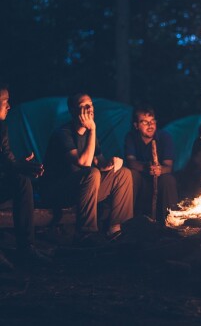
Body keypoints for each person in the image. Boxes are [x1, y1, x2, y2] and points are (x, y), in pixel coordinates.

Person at [41, 93, 133, 246]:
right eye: (83, 106)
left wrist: (112, 162)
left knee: (123, 174)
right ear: (73, 111)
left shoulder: (91, 135)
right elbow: (83, 162)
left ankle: (116, 229)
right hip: (59, 191)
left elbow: (99, 161)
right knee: (92, 172)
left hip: (84, 190)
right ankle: (87, 233)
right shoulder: (63, 134)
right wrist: (92, 129)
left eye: (90, 104)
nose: (89, 109)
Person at [0, 83, 49, 269]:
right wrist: (17, 165)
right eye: (5, 102)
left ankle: (26, 248)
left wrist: (22, 166)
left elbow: (7, 159)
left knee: (21, 181)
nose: (9, 106)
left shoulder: (1, 128)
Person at [125, 105, 178, 221]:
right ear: (136, 125)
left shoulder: (165, 137)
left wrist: (160, 169)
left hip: (159, 181)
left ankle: (171, 220)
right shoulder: (131, 137)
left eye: (152, 121)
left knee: (168, 179)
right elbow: (130, 162)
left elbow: (168, 166)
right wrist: (146, 167)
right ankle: (127, 220)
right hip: (141, 182)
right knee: (130, 175)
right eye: (144, 122)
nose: (150, 125)